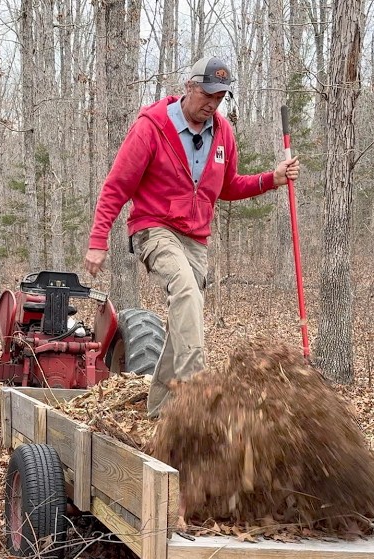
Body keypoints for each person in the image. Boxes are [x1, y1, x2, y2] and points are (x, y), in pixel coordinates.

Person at [83, 56, 301, 416]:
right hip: (154, 228)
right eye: (207, 95)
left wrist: (270, 179)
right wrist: (97, 240)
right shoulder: (151, 127)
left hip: (195, 240)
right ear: (189, 87)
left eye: (220, 97)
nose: (212, 104)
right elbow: (116, 187)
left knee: (187, 314)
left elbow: (228, 186)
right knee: (185, 291)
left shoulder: (223, 134)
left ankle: (161, 414)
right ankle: (197, 391)